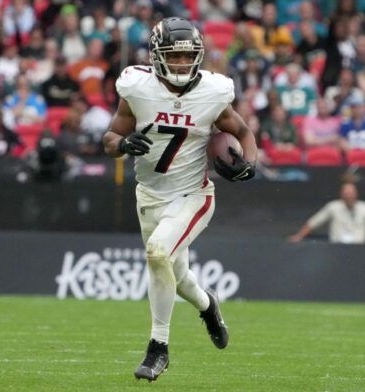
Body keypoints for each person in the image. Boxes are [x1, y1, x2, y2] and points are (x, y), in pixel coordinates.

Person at [102, 18, 257, 382]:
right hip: (149, 194)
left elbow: (243, 130)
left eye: (188, 58)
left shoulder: (213, 92)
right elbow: (110, 137)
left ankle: (158, 348)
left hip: (192, 194)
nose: (182, 65)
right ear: (157, 56)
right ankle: (208, 305)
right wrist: (122, 145)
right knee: (179, 274)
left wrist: (249, 162)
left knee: (157, 252)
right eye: (174, 57)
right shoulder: (137, 87)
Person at [288, 182, 365, 244]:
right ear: (341, 194)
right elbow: (314, 222)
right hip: (337, 249)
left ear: (356, 194)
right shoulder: (332, 207)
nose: (349, 196)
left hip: (359, 251)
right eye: (346, 193)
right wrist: (299, 236)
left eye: (351, 193)